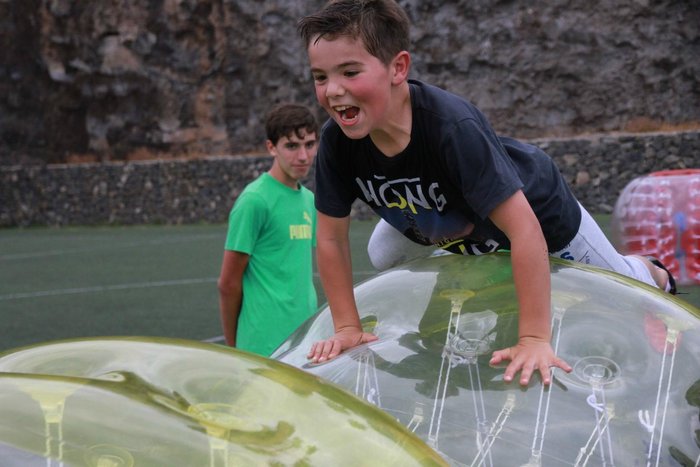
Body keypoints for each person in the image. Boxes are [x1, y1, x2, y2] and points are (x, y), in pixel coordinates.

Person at [297, 0, 676, 385]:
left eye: (349, 72)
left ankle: (650, 270)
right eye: (320, 77)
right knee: (381, 253)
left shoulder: (451, 128)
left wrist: (533, 338)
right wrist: (346, 326)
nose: (334, 91)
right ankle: (463, 239)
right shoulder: (337, 142)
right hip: (448, 210)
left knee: (619, 288)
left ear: (398, 68)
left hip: (537, 212)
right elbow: (330, 237)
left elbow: (525, 230)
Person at [217, 103, 319, 357]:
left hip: (304, 339)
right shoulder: (255, 200)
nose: (304, 156)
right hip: (262, 344)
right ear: (271, 147)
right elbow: (228, 284)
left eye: (309, 144)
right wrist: (234, 348)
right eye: (292, 146)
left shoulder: (309, 200)